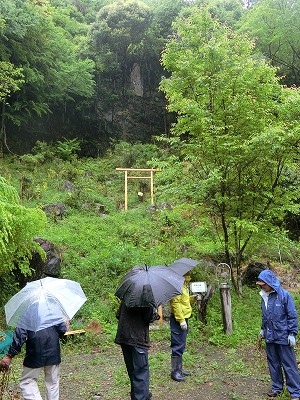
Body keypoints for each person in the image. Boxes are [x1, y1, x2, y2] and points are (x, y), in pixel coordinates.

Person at [257, 269, 300, 399]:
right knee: (273, 363)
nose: (262, 286)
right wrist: (263, 329)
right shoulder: (264, 296)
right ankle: (277, 388)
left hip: (283, 336)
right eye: (260, 284)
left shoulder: (284, 296)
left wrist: (292, 333)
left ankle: (295, 393)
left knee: (289, 365)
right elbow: (265, 316)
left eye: (263, 284)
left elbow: (292, 315)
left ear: (270, 282)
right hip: (270, 336)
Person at [0, 322, 67, 400]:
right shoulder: (53, 312)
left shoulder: (27, 313)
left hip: (35, 351)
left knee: (27, 382)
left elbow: (20, 335)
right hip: (53, 351)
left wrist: (9, 356)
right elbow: (62, 329)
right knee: (52, 383)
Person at [115, 300, 159, 400]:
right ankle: (141, 396)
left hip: (124, 338)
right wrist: (155, 312)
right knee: (141, 373)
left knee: (133, 371)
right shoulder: (145, 296)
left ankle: (138, 395)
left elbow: (118, 315)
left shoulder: (127, 294)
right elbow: (148, 317)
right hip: (138, 340)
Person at [169, 271, 195, 382]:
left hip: (184, 317)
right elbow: (175, 304)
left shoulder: (184, 284)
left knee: (181, 344)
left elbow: (184, 302)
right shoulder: (176, 285)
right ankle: (174, 371)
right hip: (178, 319)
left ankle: (179, 368)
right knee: (177, 344)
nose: (190, 273)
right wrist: (181, 320)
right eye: (188, 272)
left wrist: (192, 298)